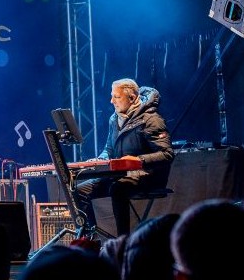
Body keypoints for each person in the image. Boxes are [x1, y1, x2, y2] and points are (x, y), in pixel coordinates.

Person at [71, 78, 174, 238]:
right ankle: (90, 238)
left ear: (132, 98)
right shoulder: (115, 119)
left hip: (147, 176)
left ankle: (122, 241)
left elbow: (167, 154)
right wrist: (100, 160)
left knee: (118, 189)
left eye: (116, 97)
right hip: (120, 174)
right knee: (78, 191)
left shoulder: (151, 120)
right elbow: (109, 149)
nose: (111, 101)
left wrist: (139, 160)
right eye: (112, 96)